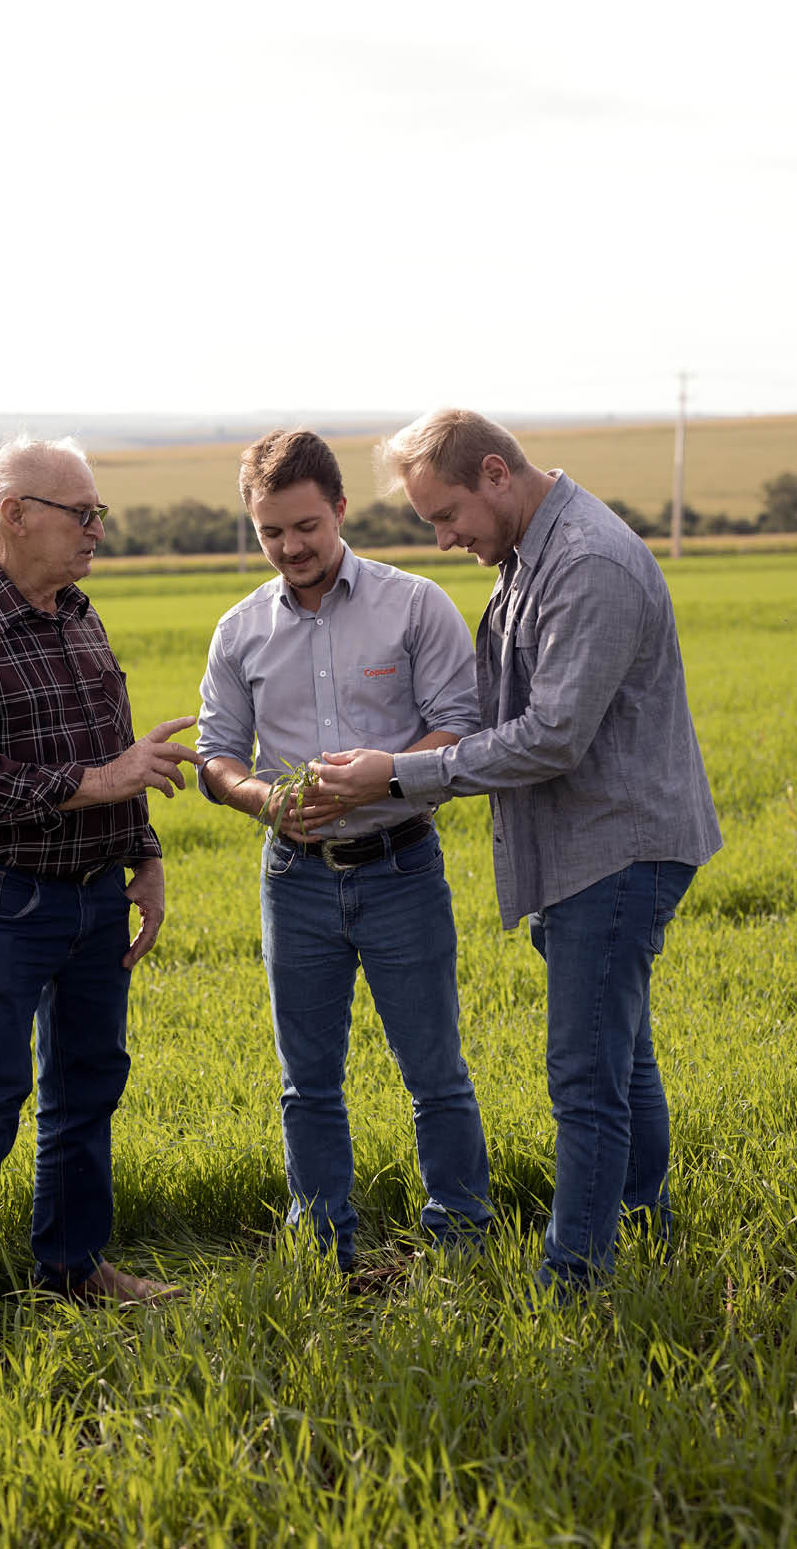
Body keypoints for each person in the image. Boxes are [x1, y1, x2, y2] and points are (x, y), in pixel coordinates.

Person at [314, 408, 722, 1300]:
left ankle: (573, 1279)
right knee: (622, 1055)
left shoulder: (585, 565)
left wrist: (397, 776)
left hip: (616, 848)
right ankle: (641, 1220)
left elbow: (550, 739)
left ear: (496, 474)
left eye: (446, 514)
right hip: (581, 844)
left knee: (583, 1076)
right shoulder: (527, 555)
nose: (444, 535)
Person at [0, 434, 200, 1376]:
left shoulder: (76, 611)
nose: (97, 532)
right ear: (13, 514)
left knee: (88, 1086)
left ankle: (71, 1266)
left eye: (99, 513)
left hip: (94, 899)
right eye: (83, 514)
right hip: (3, 902)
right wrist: (100, 781)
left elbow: (113, 746)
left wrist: (142, 850)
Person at [196, 428, 490, 1277]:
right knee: (307, 1081)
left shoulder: (414, 605)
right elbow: (218, 754)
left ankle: (461, 1241)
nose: (290, 548)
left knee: (433, 1071)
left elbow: (459, 727)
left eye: (305, 528)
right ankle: (323, 1248)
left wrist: (381, 778)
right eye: (270, 533)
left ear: (339, 512)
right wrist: (262, 800)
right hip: (294, 880)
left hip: (400, 867)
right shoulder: (241, 630)